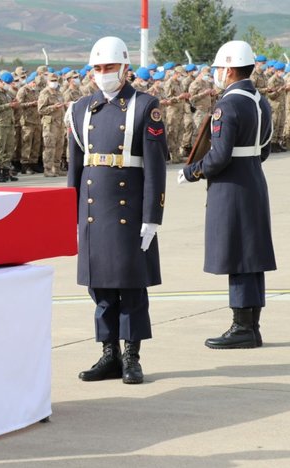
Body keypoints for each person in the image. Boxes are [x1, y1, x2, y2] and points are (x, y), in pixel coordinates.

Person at [68, 36, 167, 384]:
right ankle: (108, 352)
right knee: (101, 288)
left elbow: (155, 167)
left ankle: (131, 356)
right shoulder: (80, 108)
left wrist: (152, 217)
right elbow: (75, 168)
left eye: (110, 67)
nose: (103, 74)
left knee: (131, 287)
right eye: (97, 68)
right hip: (94, 210)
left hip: (129, 211)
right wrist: (70, 215)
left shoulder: (145, 106)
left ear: (125, 68)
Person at [179, 40, 275, 349]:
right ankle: (252, 326)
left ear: (230, 69)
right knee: (251, 256)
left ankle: (241, 327)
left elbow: (219, 157)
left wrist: (191, 172)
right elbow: (263, 151)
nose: (217, 74)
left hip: (232, 186)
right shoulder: (260, 101)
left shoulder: (228, 104)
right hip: (253, 180)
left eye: (219, 69)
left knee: (238, 255)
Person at [38, 73, 66, 177]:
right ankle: (48, 169)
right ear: (47, 81)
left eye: (55, 80)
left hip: (60, 123)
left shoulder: (58, 92)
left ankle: (57, 168)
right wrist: (53, 107)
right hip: (50, 124)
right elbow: (40, 110)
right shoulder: (45, 93)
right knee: (49, 147)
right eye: (52, 80)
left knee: (59, 146)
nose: (54, 82)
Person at [16, 74, 42, 174]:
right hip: (27, 120)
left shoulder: (36, 90)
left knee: (36, 143)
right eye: (34, 82)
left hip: (36, 120)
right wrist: (31, 104)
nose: (35, 84)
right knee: (27, 143)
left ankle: (33, 163)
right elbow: (19, 105)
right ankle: (25, 165)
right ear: (30, 81)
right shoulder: (23, 90)